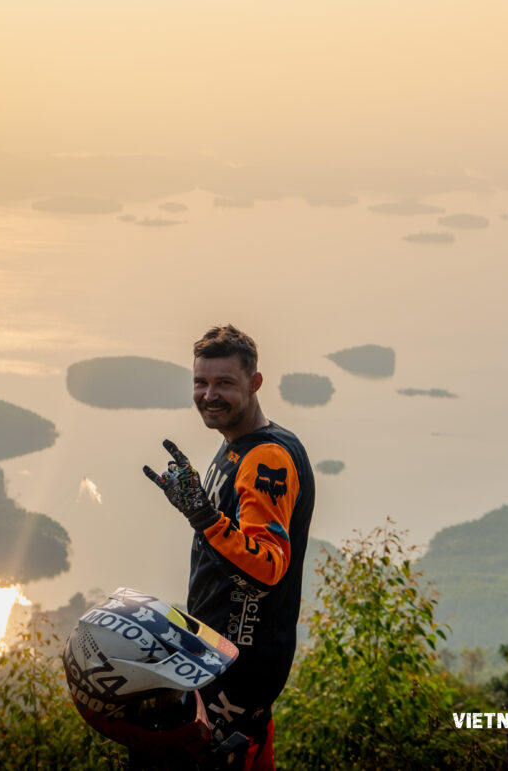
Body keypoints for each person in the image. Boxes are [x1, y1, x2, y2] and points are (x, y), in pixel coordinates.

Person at [143, 324, 315, 771]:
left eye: (224, 383)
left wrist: (204, 517)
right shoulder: (237, 447)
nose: (208, 395)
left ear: (255, 383)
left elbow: (267, 568)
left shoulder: (266, 458)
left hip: (237, 676)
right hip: (224, 665)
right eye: (200, 382)